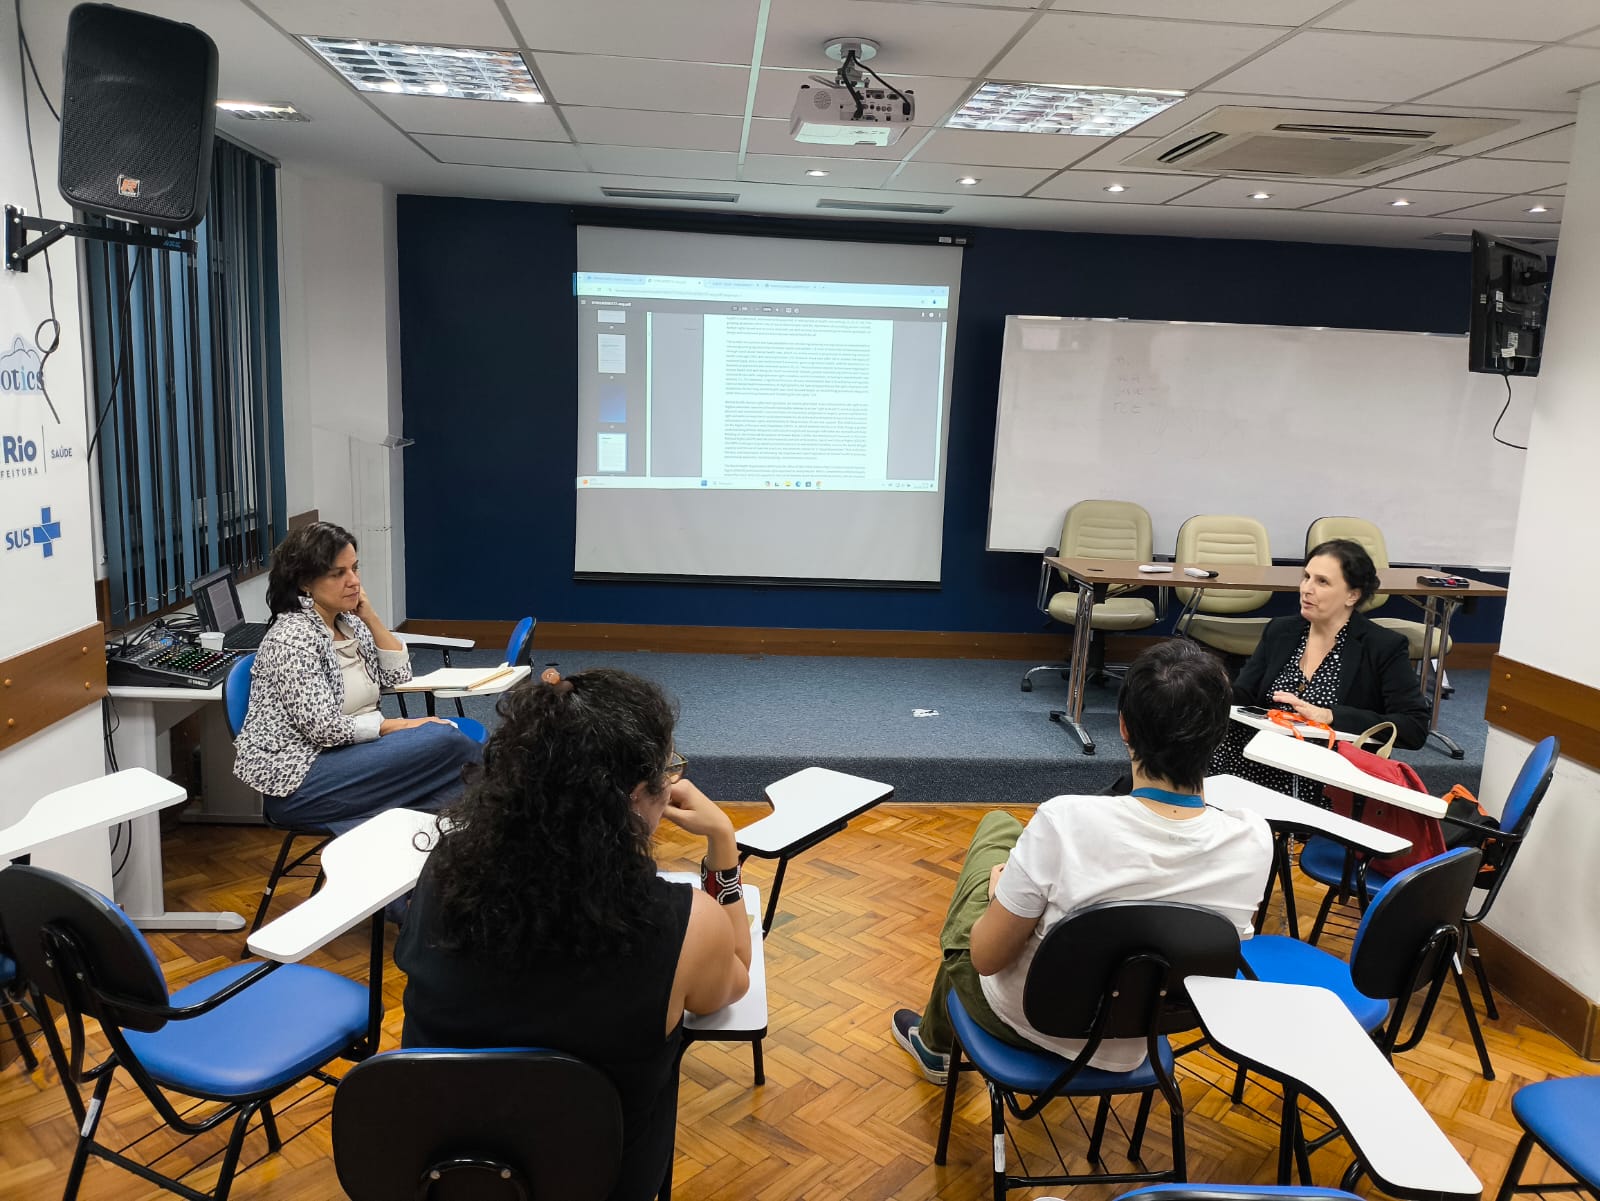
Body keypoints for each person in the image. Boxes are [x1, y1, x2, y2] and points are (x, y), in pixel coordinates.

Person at [395, 669, 752, 1201]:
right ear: (636, 796)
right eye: (668, 769)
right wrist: (723, 838)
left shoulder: (445, 870)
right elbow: (736, 981)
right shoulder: (685, 923)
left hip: (447, 1172)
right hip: (604, 1180)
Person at [892, 639, 1273, 1082]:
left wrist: (1002, 892)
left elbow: (985, 958)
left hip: (1028, 1021)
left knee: (996, 834)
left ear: (1124, 727)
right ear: (1220, 733)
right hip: (1145, 1034)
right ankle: (937, 1040)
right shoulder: (1253, 839)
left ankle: (936, 1046)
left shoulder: (1066, 820)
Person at [232, 521, 482, 833]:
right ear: (305, 582)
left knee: (463, 795)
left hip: (355, 758)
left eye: (355, 568)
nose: (354, 581)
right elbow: (326, 730)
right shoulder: (293, 638)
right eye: (339, 574)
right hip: (304, 778)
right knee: (447, 742)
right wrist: (405, 725)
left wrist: (371, 617)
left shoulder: (348, 623)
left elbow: (398, 675)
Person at [1211, 537, 1431, 794]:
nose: (1306, 588)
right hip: (1257, 755)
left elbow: (1414, 727)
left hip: (1326, 774)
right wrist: (1210, 687)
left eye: (1322, 582)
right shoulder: (1282, 631)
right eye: (1306, 577)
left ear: (1352, 595)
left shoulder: (1382, 646)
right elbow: (1244, 696)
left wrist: (1330, 716)